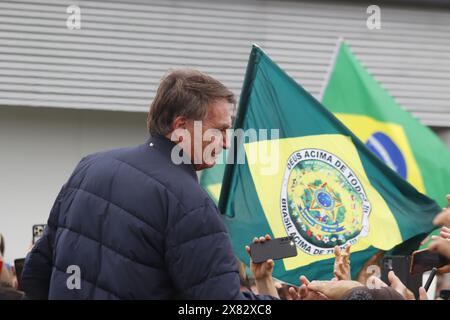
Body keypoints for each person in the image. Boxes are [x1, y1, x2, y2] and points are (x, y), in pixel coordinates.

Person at [21, 69, 276, 300]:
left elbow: (35, 274)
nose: (226, 143)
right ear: (181, 127)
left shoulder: (89, 167)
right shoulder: (192, 204)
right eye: (220, 130)